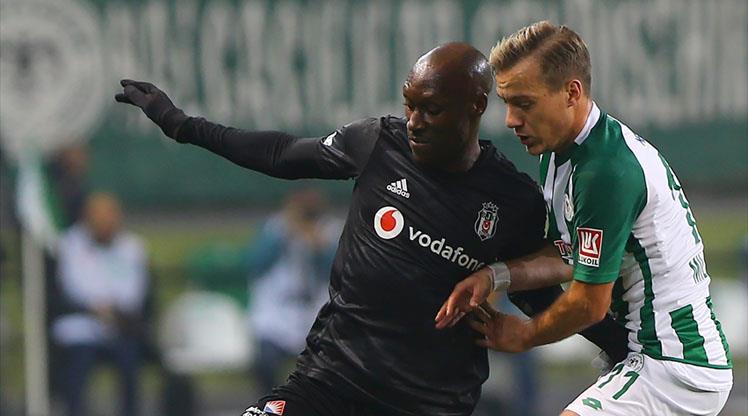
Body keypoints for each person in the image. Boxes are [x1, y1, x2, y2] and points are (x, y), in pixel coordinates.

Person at [115, 42, 625, 416]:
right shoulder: (378, 144)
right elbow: (280, 154)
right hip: (329, 381)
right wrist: (183, 126)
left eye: (431, 109)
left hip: (429, 403)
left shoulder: (513, 200)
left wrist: (629, 352)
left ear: (474, 107)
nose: (415, 121)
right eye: (409, 105)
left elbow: (544, 294)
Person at [437, 21, 733, 416]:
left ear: (571, 93)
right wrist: (494, 277)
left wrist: (524, 335)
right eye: (506, 102)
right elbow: (571, 255)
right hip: (642, 355)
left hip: (672, 364)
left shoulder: (605, 171)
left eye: (524, 103)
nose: (510, 119)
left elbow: (590, 303)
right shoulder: (561, 154)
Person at [52, 192, 150, 416]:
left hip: (121, 325)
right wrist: (93, 308)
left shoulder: (132, 247)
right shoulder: (69, 245)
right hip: (80, 326)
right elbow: (70, 289)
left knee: (130, 361)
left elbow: (137, 292)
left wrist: (114, 311)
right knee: (77, 367)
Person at [246, 189, 340, 394]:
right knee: (266, 363)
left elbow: (336, 272)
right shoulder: (274, 228)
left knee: (329, 366)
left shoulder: (329, 230)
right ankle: (269, 401)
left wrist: (319, 249)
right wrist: (284, 235)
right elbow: (255, 265)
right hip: (277, 312)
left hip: (314, 310)